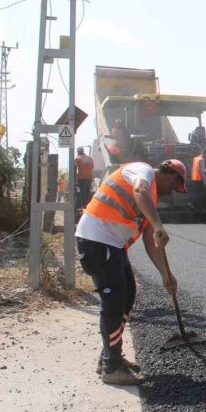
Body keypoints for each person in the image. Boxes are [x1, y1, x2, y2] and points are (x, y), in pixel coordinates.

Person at [75, 159, 188, 385]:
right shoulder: (142, 171)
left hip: (112, 246)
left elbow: (150, 242)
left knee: (127, 296)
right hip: (97, 240)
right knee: (114, 301)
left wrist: (166, 275)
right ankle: (112, 367)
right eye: (174, 187)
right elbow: (139, 189)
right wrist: (158, 225)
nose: (171, 194)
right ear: (170, 174)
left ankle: (109, 356)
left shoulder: (150, 199)